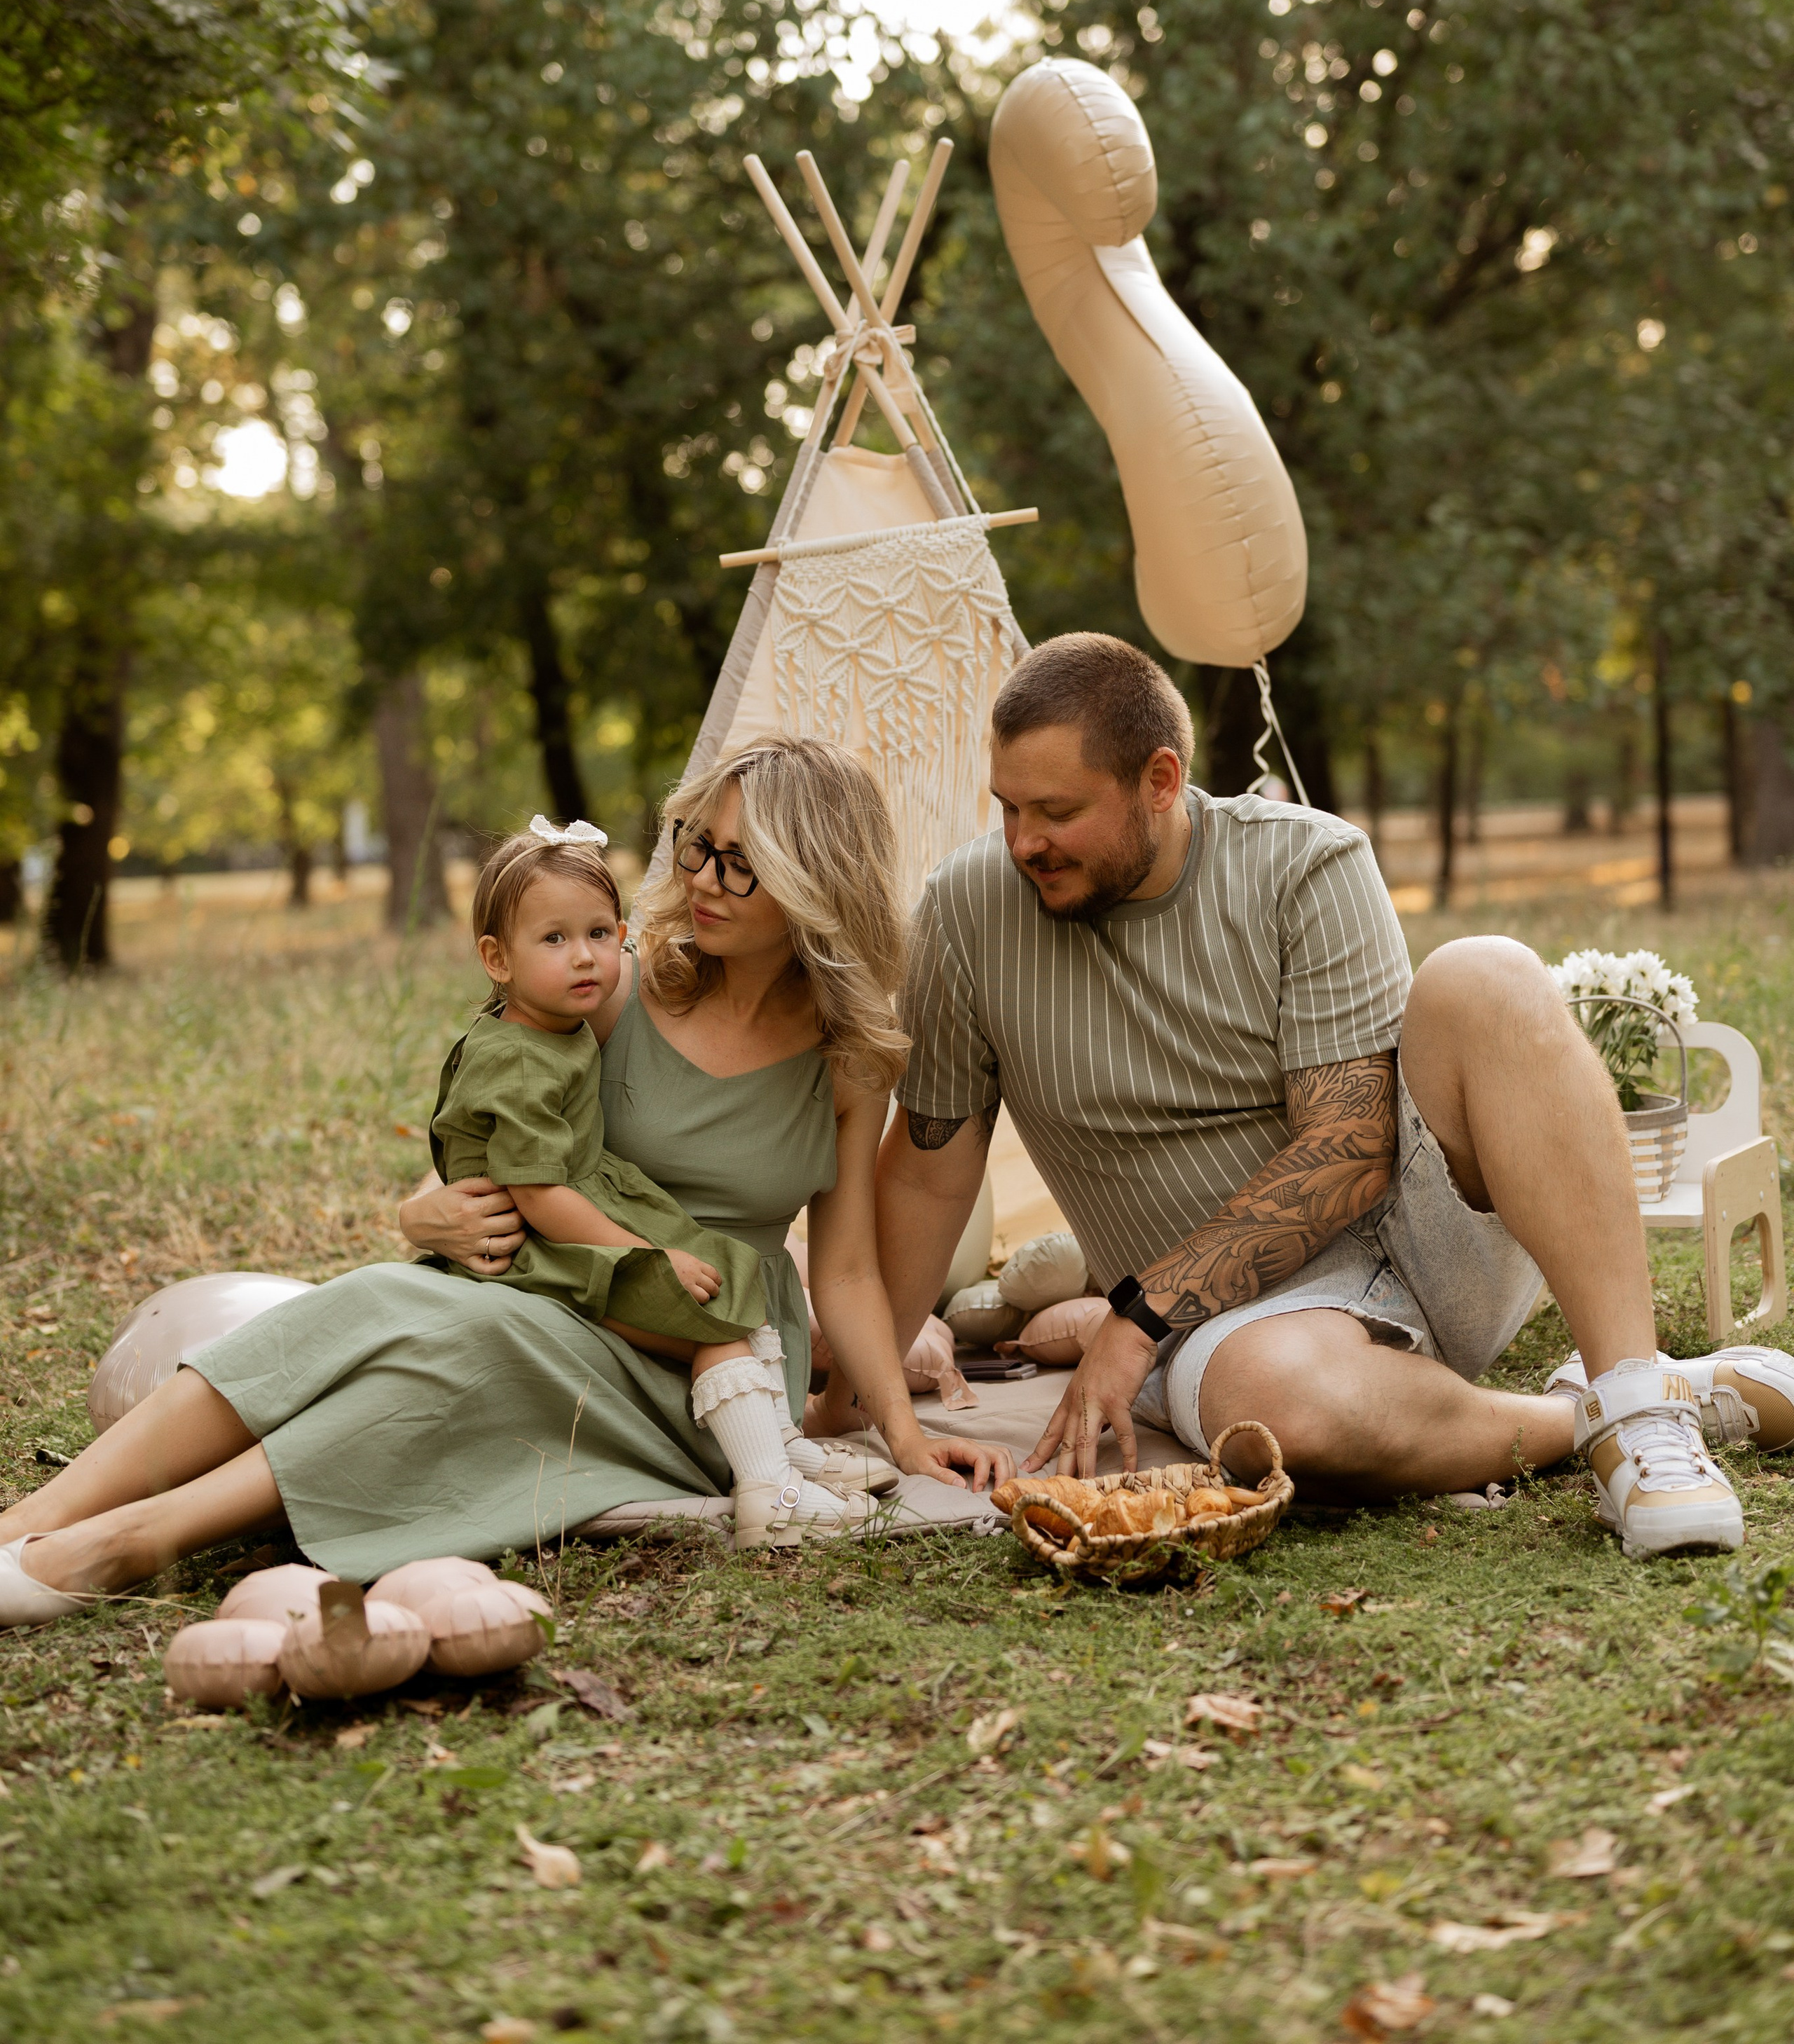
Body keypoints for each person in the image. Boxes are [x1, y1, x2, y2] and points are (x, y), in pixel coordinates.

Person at [815, 633, 1794, 1559]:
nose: (1025, 841)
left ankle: (1635, 1398)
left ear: (1159, 782)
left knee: (1487, 972)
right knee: (1272, 1406)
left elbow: (1353, 1147)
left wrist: (1135, 1317)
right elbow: (928, 1176)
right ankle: (1604, 1415)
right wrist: (850, 1404)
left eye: (1059, 813)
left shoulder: (1306, 862)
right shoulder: (965, 912)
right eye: (1008, 808)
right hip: (1232, 1337)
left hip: (1416, 1241)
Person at [0, 739, 1008, 1626]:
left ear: (812, 882)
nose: (700, 876)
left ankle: (129, 1546)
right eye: (696, 842)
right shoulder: (618, 985)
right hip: (568, 1280)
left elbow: (846, 1273)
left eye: (739, 864)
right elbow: (512, 1117)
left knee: (464, 1344)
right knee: (382, 1298)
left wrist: (907, 1439)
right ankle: (33, 1521)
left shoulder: (847, 1058)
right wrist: (421, 1208)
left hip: (711, 1356)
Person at [426, 815, 862, 1545]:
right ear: (496, 959)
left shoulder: (561, 1023)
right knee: (715, 1325)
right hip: (541, 1237)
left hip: (574, 1210)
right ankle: (769, 1496)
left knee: (730, 1278)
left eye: (600, 933)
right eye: (555, 939)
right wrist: (649, 1255)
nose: (586, 958)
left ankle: (779, 1443)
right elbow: (532, 1190)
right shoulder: (521, 1055)